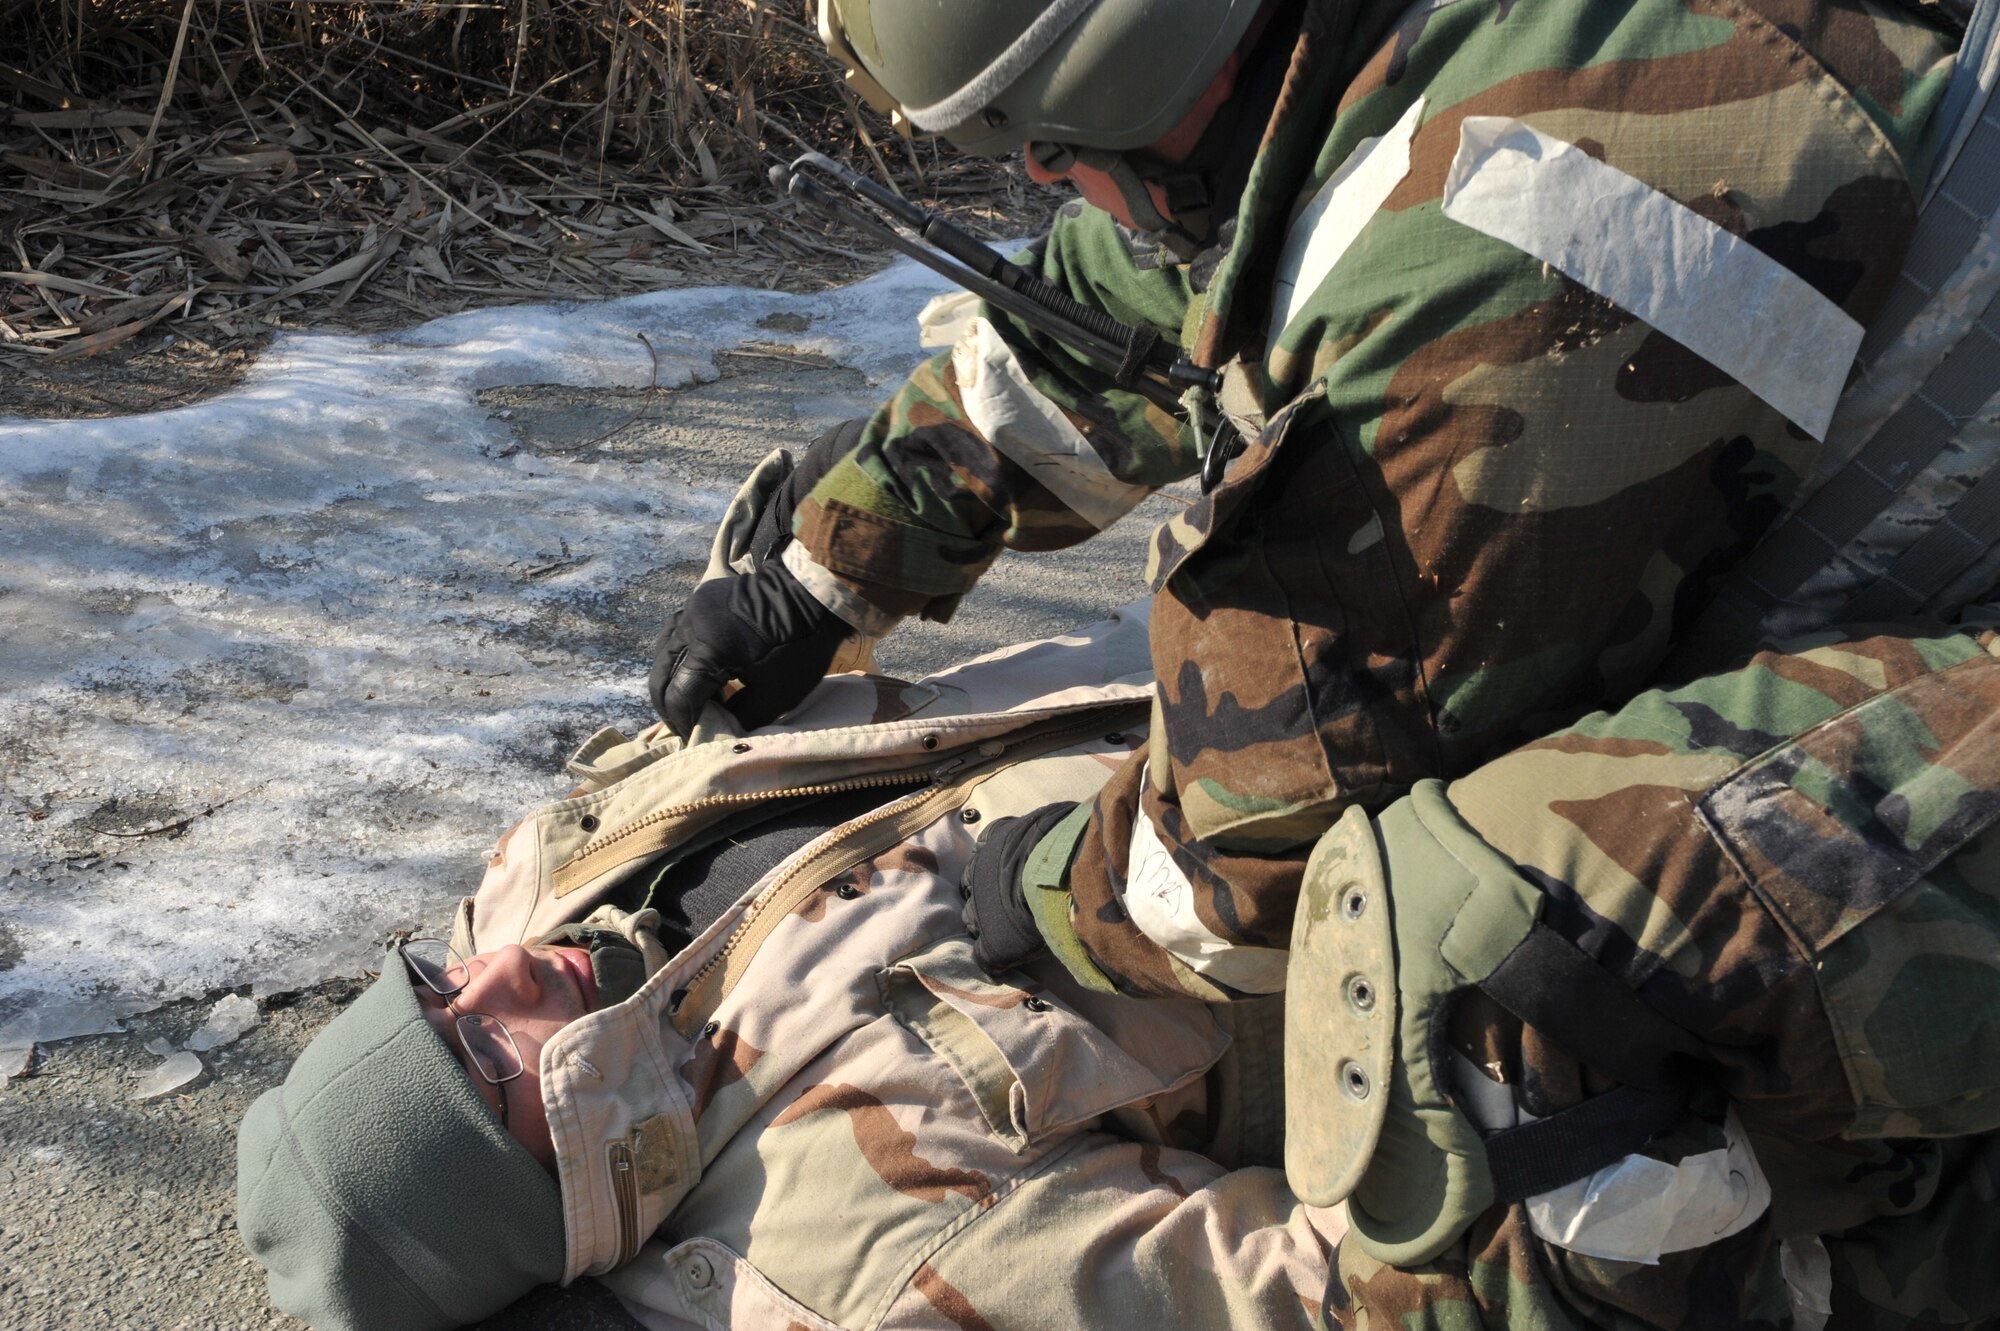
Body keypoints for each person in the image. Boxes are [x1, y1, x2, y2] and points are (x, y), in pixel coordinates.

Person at [649, 0, 1968, 1009]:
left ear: (1121, 86)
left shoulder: (1516, 246)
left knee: (1507, 999)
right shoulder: (1390, 52)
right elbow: (1143, 301)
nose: (1047, 183)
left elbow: (1262, 858)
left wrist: (1000, 890)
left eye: (1050, 151)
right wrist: (827, 571)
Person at [239, 580, 2000, 1329]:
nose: (493, 984)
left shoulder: (546, 904)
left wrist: (799, 586)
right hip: (1476, 880)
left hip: (1291, 684)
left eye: (428, 983)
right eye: (481, 1059)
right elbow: (1337, 1307)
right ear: (550, 1209)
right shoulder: (845, 1260)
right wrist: (1590, 1147)